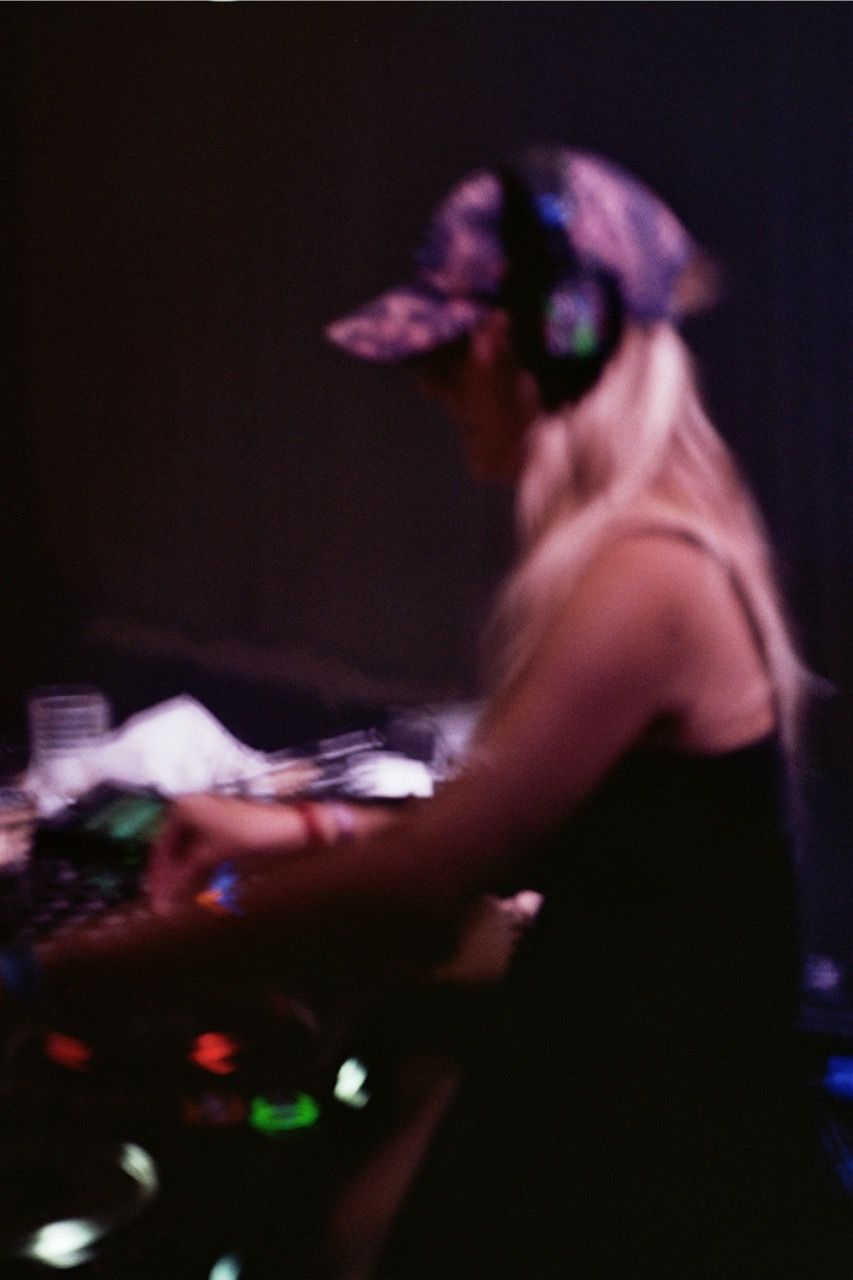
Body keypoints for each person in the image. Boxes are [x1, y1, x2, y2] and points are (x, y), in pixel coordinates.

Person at [2, 145, 850, 1276]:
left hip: (659, 1140)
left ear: (547, 340)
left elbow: (426, 877)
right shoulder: (659, 536)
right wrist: (294, 827)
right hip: (635, 1080)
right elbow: (522, 829)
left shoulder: (645, 570)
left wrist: (49, 976)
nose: (429, 387)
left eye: (447, 355)